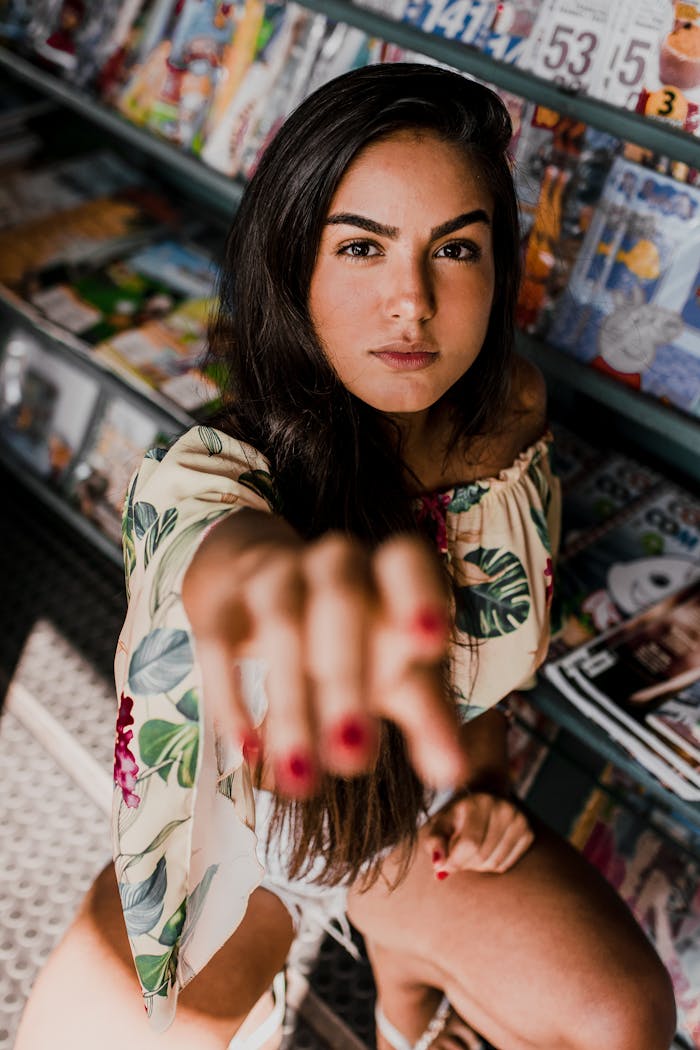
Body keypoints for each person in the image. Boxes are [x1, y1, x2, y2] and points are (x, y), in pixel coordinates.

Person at [16, 63, 676, 1050]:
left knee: (622, 1020)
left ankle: (402, 971)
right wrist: (286, 591)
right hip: (237, 850)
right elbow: (220, 550)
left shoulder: (508, 414)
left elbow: (477, 679)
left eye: (454, 248)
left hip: (415, 822)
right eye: (360, 246)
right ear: (293, 261)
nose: (410, 301)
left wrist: (486, 786)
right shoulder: (208, 475)